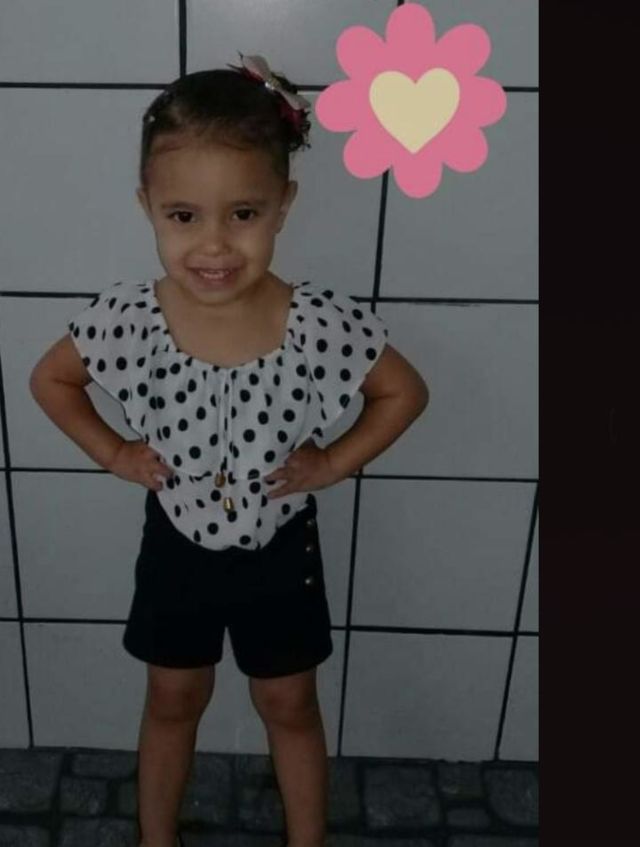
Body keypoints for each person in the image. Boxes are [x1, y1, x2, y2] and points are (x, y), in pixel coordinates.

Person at [29, 53, 430, 847]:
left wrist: (333, 461)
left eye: (242, 213)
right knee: (172, 697)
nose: (213, 245)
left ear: (284, 204)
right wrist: (115, 453)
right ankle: (156, 837)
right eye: (183, 216)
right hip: (176, 543)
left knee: (289, 702)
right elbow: (52, 379)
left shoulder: (315, 319)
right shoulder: (133, 317)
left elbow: (403, 392)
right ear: (148, 206)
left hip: (280, 548)